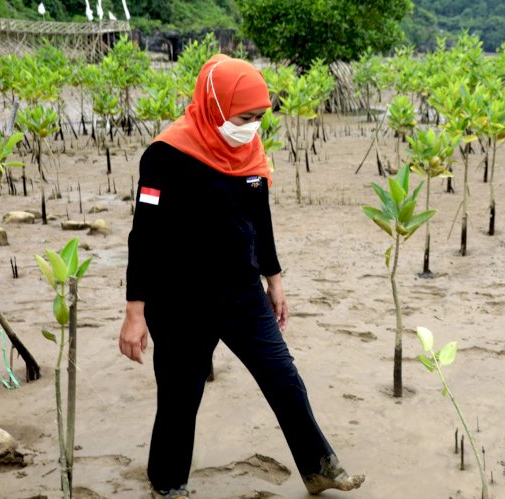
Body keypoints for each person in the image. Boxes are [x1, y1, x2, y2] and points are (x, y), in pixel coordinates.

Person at [118, 54, 364, 498]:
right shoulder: (164, 156)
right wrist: (135, 311)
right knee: (180, 397)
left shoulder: (248, 149)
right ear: (214, 103)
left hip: (241, 293)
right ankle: (168, 484)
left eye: (258, 118)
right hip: (179, 301)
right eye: (244, 116)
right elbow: (145, 235)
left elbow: (259, 221)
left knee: (284, 378)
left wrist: (275, 279)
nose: (251, 127)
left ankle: (319, 468)